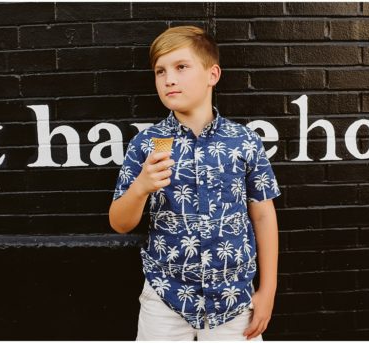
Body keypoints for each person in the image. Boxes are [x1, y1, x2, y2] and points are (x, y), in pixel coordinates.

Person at [108, 26, 279, 341]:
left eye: (181, 67)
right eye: (160, 71)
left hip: (234, 301)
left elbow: (264, 215)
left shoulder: (244, 141)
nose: (169, 78)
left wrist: (268, 291)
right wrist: (141, 188)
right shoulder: (148, 144)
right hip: (166, 300)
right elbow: (120, 223)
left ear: (212, 74)